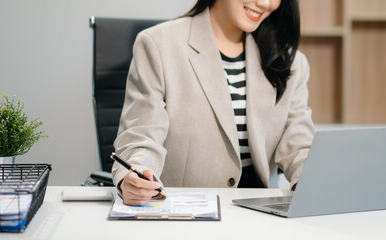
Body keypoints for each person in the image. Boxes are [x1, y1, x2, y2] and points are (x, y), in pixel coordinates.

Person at [112, 0, 315, 205]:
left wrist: (309, 180)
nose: (264, 3)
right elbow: (142, 137)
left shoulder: (289, 60)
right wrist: (135, 176)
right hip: (187, 213)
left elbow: (298, 144)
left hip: (259, 217)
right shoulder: (158, 45)